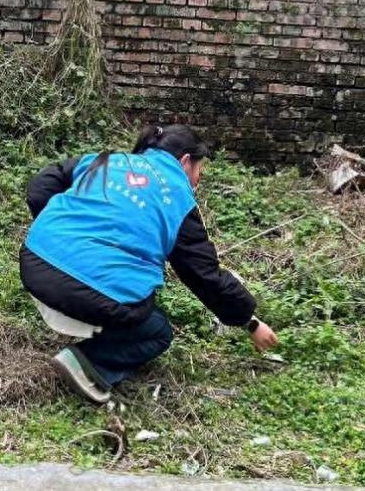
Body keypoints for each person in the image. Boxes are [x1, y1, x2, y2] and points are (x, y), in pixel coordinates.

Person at [20, 125, 278, 403]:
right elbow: (204, 276)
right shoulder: (177, 197)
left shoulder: (107, 160)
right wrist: (250, 322)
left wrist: (63, 234)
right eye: (199, 169)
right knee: (156, 331)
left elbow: (39, 188)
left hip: (34, 264)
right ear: (185, 161)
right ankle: (88, 363)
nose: (199, 178)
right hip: (89, 293)